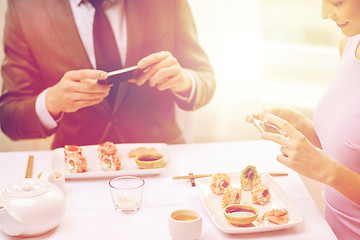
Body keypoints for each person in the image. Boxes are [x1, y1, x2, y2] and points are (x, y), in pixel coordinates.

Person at [0, 0, 216, 149]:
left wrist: (185, 81)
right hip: (77, 168)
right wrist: (51, 101)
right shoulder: (25, 7)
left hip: (161, 159)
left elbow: (205, 77)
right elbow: (9, 116)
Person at [246, 0, 360, 238]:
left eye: (336, 2)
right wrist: (302, 126)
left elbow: (336, 168)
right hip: (329, 230)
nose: (324, 13)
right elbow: (351, 150)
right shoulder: (350, 45)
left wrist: (327, 172)